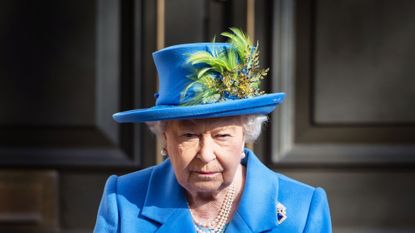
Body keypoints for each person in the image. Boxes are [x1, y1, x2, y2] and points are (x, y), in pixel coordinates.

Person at [93, 28, 332, 233]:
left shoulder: (302, 210)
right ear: (165, 139)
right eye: (189, 135)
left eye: (222, 135)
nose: (206, 154)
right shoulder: (124, 200)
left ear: (245, 136)